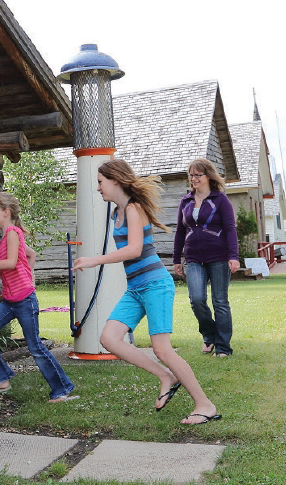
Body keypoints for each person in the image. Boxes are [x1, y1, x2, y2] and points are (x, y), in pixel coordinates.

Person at [72, 159, 220, 425]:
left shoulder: (133, 208)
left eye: (100, 182)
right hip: (136, 287)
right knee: (110, 338)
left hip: (155, 285)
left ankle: (205, 404)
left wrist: (94, 260)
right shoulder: (116, 212)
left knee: (162, 349)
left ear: (115, 180)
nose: (98, 188)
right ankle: (165, 376)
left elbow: (134, 250)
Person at [0, 192, 76, 402]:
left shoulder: (12, 233)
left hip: (24, 301)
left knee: (35, 347)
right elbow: (30, 255)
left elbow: (10, 263)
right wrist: (28, 276)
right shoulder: (8, 235)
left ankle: (61, 389)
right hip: (10, 300)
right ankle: (0, 379)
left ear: (5, 212)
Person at [172, 158, 240, 358]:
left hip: (219, 256)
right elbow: (179, 232)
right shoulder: (185, 201)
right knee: (197, 299)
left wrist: (233, 256)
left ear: (208, 176)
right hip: (193, 257)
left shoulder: (220, 200)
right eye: (191, 175)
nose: (193, 179)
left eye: (197, 175)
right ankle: (209, 335)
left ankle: (223, 347)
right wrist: (177, 258)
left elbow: (230, 229)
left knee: (220, 301)